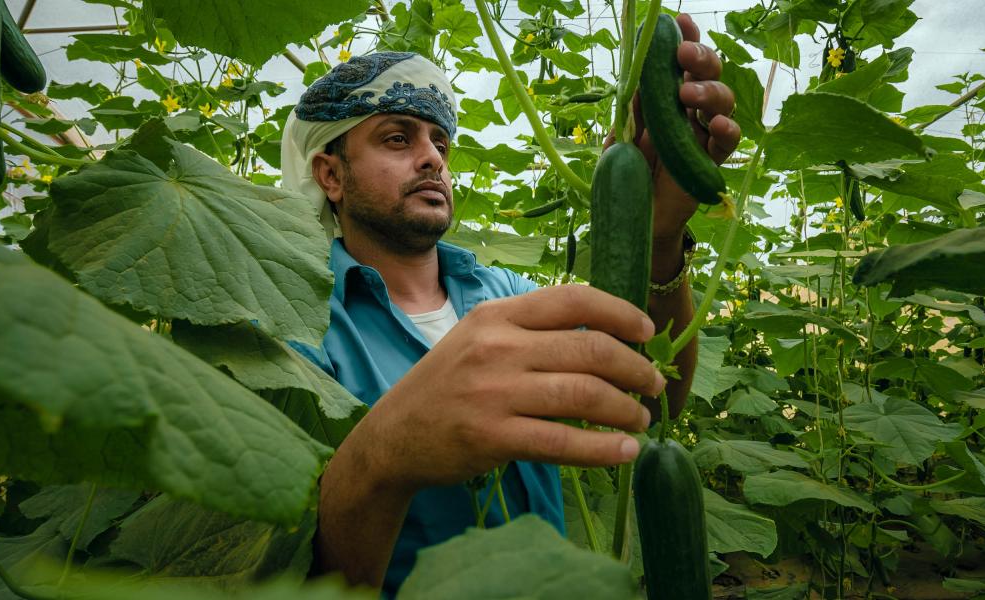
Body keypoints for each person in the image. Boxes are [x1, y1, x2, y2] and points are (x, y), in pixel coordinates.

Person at [280, 13, 739, 596]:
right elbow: (278, 566)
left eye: (439, 142)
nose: (432, 159)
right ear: (330, 176)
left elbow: (648, 396)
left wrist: (659, 235)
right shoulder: (292, 326)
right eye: (398, 138)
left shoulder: (513, 297)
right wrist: (382, 452)